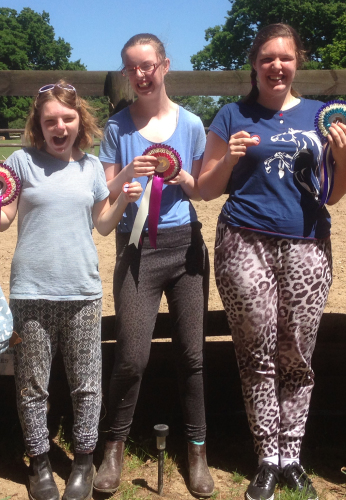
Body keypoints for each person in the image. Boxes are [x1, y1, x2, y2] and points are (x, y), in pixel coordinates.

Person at [199, 23, 346, 500]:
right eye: (267, 58)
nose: (276, 66)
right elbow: (206, 187)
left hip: (307, 242)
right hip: (244, 240)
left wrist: (344, 158)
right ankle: (267, 456)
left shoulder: (320, 116)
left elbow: (335, 194)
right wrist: (231, 159)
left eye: (285, 57)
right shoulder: (231, 114)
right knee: (256, 352)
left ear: (297, 61)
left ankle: (293, 455)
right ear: (254, 63)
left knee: (297, 353)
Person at [0, 81, 141, 500]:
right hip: (31, 292)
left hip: (82, 291)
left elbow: (102, 223)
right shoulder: (20, 162)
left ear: (80, 120)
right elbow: (2, 219)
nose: (59, 127)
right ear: (38, 126)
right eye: (50, 121)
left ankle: (83, 461)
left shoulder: (94, 167)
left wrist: (124, 199)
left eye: (67, 118)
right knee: (32, 385)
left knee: (86, 383)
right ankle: (39, 462)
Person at [93, 33, 214, 497]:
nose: (141, 75)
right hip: (136, 247)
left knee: (193, 355)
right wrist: (129, 174)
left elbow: (202, 189)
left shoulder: (193, 125)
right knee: (132, 356)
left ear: (165, 65)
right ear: (126, 74)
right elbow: (109, 197)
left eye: (148, 65)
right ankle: (114, 448)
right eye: (132, 68)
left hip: (185, 250)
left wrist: (181, 175)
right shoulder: (117, 129)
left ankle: (197, 450)